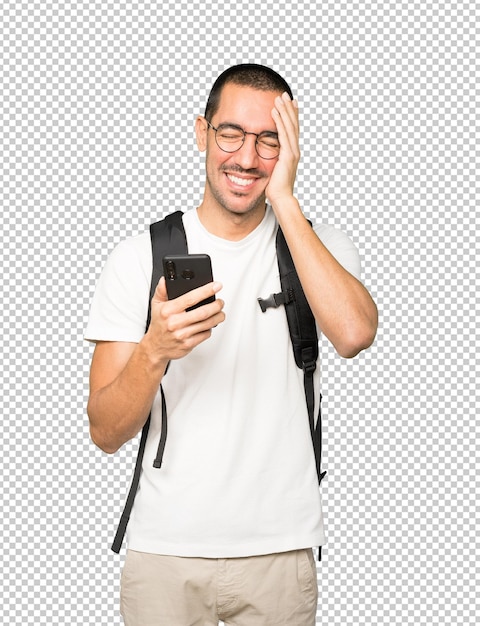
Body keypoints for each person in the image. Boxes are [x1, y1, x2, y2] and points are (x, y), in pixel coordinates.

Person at [85, 64, 378, 626]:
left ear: (290, 147)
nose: (247, 158)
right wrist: (155, 348)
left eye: (269, 140)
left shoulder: (318, 246)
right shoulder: (137, 257)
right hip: (164, 551)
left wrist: (285, 200)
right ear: (201, 133)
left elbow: (355, 334)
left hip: (281, 550)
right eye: (231, 134)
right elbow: (104, 431)